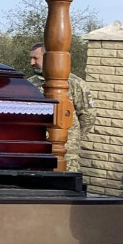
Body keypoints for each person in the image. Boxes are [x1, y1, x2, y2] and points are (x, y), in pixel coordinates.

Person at [28, 43, 93, 171]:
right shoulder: (29, 84)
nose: (31, 62)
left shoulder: (75, 83)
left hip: (66, 152)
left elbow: (88, 115)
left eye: (35, 58)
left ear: (49, 58)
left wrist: (73, 138)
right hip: (37, 149)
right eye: (31, 58)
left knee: (66, 184)